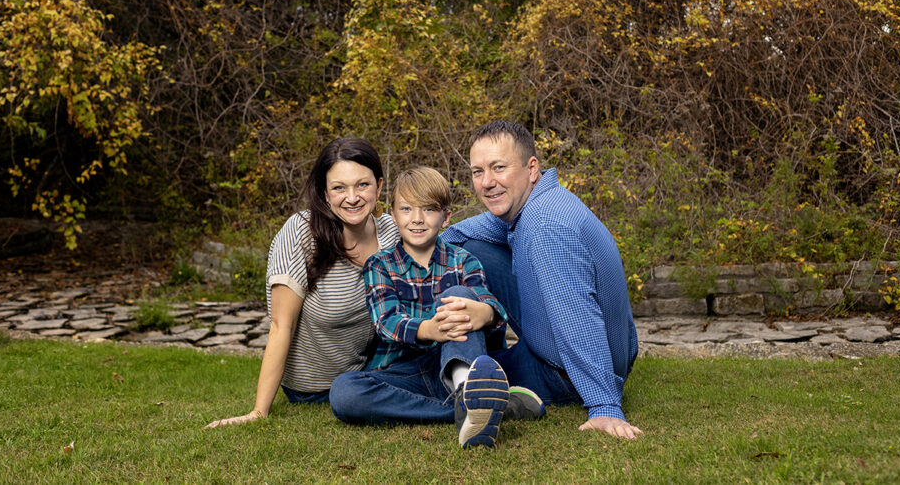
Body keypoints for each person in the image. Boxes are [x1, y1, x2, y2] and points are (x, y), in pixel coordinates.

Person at [440, 120, 643, 440]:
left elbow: (577, 315)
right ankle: (482, 363)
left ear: (531, 168)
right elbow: (465, 233)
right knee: (471, 250)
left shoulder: (546, 227)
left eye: (498, 167)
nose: (487, 182)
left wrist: (604, 405)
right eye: (478, 171)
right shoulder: (532, 204)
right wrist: (415, 251)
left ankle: (473, 393)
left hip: (566, 374)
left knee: (437, 377)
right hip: (554, 345)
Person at [328, 166, 545, 448]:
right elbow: (386, 323)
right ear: (392, 215)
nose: (417, 219)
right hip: (403, 371)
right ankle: (482, 407)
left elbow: (485, 300)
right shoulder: (379, 265)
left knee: (459, 295)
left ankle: (466, 387)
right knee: (344, 392)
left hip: (457, 357)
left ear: (446, 216)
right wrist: (431, 329)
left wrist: (487, 312)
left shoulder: (464, 260)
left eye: (429, 209)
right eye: (406, 209)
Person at [205, 137, 401, 428]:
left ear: (379, 186)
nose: (352, 197)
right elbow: (280, 326)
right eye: (339, 188)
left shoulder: (391, 232)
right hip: (317, 388)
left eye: (363, 185)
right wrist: (259, 412)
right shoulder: (301, 234)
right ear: (324, 193)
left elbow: (439, 233)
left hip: (373, 366)